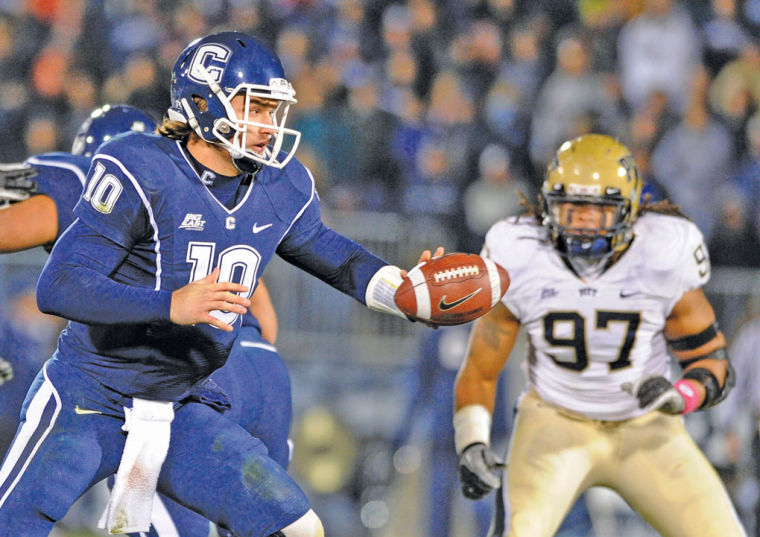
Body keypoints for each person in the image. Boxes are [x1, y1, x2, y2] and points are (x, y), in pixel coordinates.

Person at [0, 31, 438, 537]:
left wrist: (402, 291)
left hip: (183, 405)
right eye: (255, 107)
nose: (268, 125)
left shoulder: (279, 184)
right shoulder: (141, 166)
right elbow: (59, 286)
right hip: (89, 396)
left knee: (300, 529)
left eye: (274, 110)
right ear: (203, 103)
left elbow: (335, 255)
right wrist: (172, 304)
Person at [0, 103, 287, 537]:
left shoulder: (90, 182)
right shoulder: (196, 195)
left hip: (172, 388)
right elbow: (263, 315)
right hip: (259, 370)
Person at [452, 133, 746, 537]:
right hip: (554, 422)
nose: (584, 222)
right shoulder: (518, 250)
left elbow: (712, 361)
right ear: (548, 206)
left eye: (598, 210)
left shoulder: (663, 249)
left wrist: (683, 395)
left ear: (629, 210)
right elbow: (480, 370)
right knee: (521, 530)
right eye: (571, 208)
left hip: (646, 427)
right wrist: (472, 443)